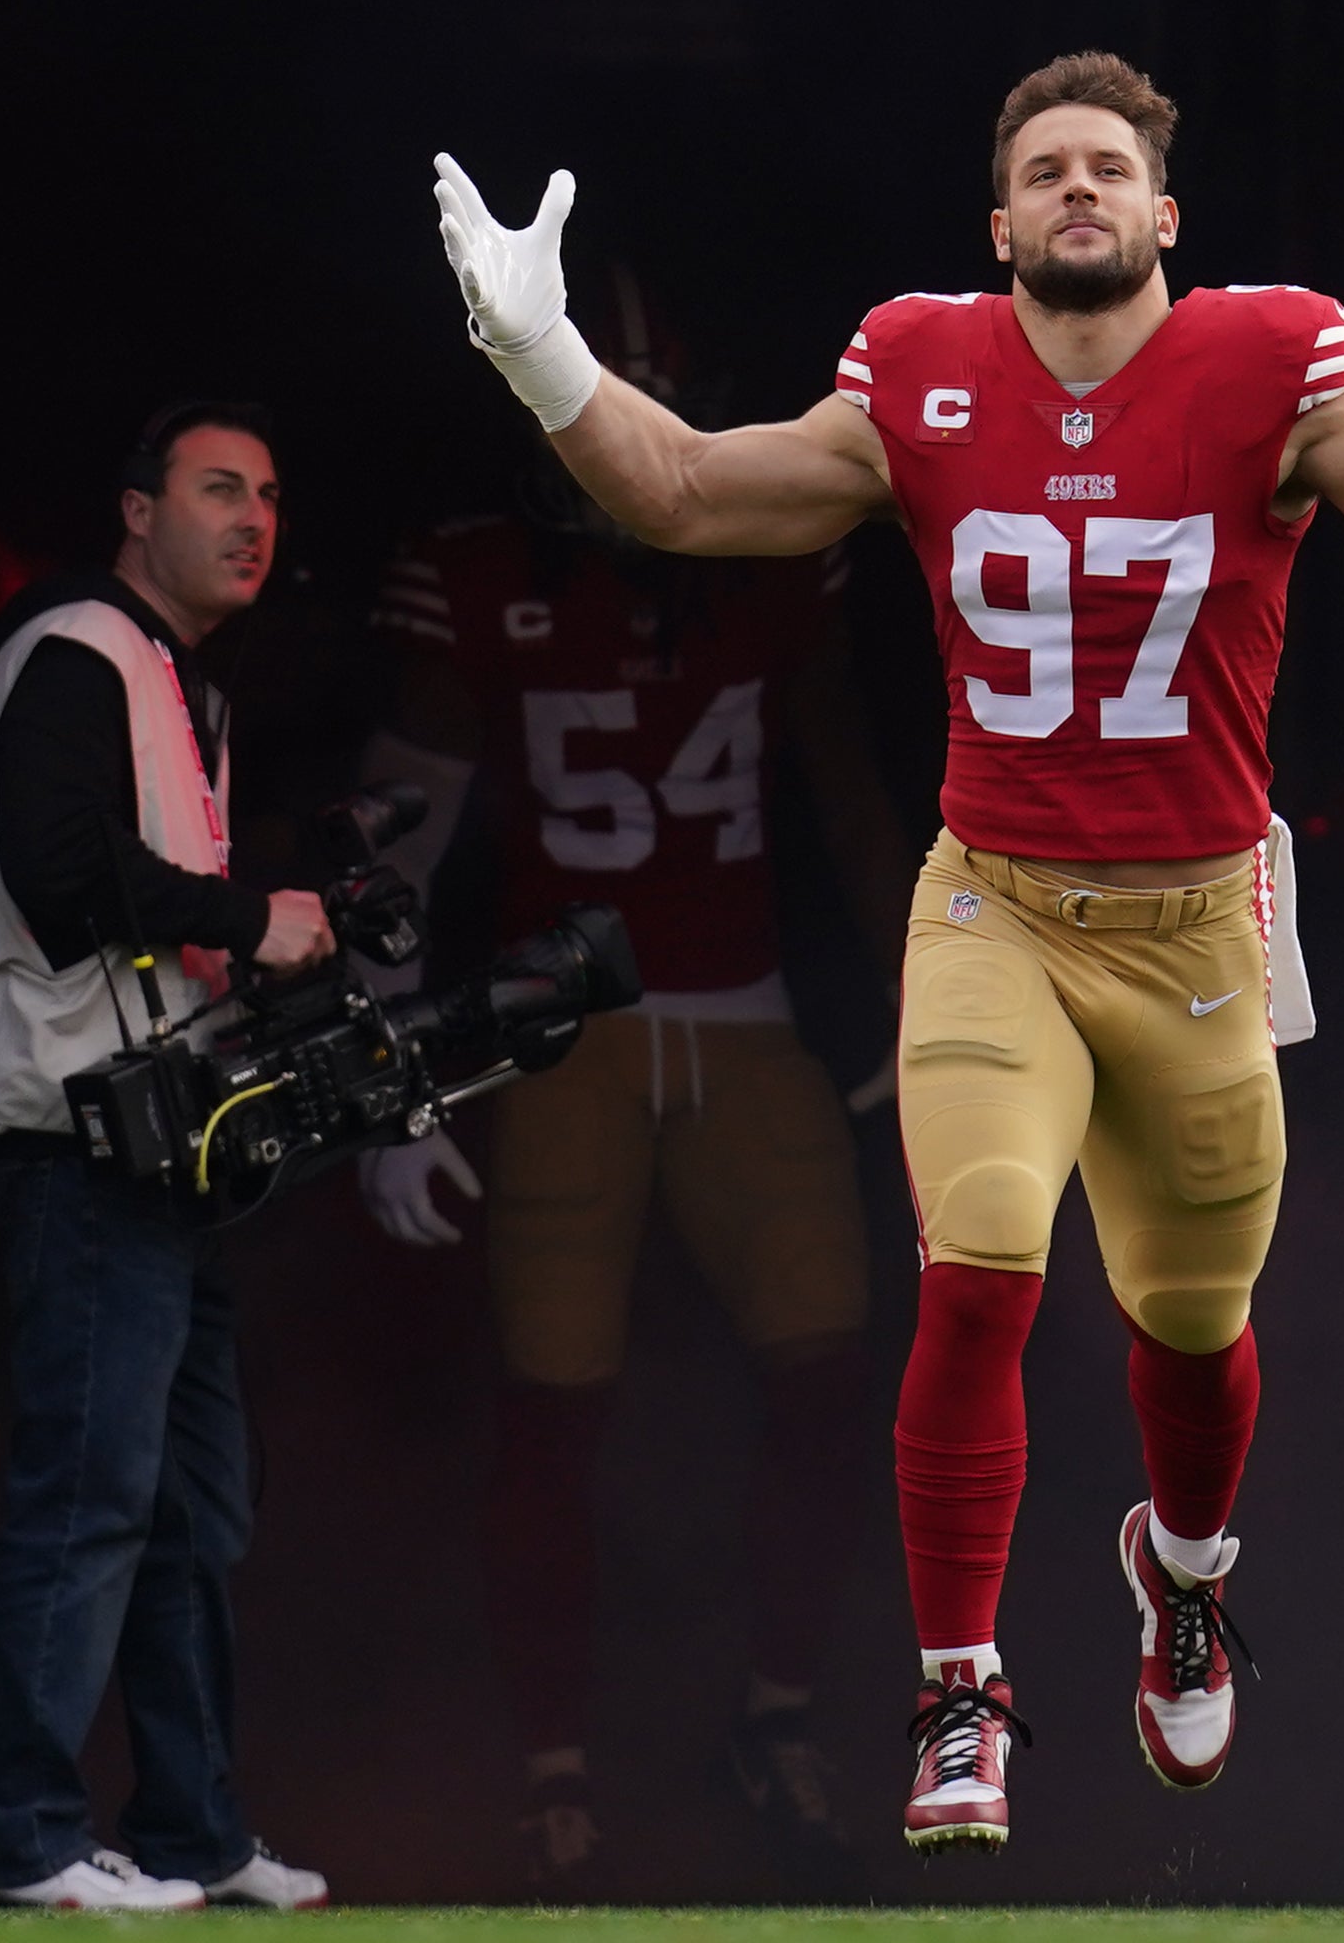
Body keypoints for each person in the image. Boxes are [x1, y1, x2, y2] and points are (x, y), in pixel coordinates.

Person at [429, 49, 1344, 1851]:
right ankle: (964, 1694)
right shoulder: (922, 363)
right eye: (1045, 169)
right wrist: (539, 357)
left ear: (1166, 213)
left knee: (1192, 1325)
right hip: (998, 907)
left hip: (1194, 927)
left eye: (1109, 165)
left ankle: (1181, 1571)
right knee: (985, 1257)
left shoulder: (1274, 357)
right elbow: (698, 495)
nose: (1079, 188)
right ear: (1002, 222)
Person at [351, 291, 914, 1889]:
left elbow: (850, 789)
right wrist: (395, 1071)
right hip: (561, 1033)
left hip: (741, 1017)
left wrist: (931, 1003)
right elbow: (402, 829)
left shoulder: (771, 560)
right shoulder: (472, 575)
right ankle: (554, 1759)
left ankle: (777, 1712)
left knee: (825, 1373)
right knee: (557, 1404)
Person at [0, 402, 336, 1912]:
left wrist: (248, 947)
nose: (253, 517)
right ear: (136, 511)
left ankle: (192, 1829)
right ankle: (21, 1836)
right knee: (89, 1492)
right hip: (69, 1139)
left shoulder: (167, 674)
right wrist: (246, 913)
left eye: (267, 494)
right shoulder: (78, 647)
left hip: (145, 1139)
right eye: (218, 489)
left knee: (189, 1502)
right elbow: (63, 881)